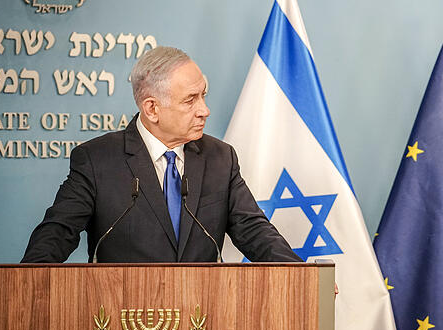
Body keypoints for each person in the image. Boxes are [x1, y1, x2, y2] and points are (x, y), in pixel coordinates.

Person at [22, 46, 301, 263]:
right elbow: (57, 233)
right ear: (152, 109)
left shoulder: (220, 158)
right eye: (190, 100)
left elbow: (254, 231)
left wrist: (302, 277)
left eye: (203, 95)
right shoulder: (97, 160)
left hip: (204, 316)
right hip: (125, 317)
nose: (204, 110)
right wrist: (22, 284)